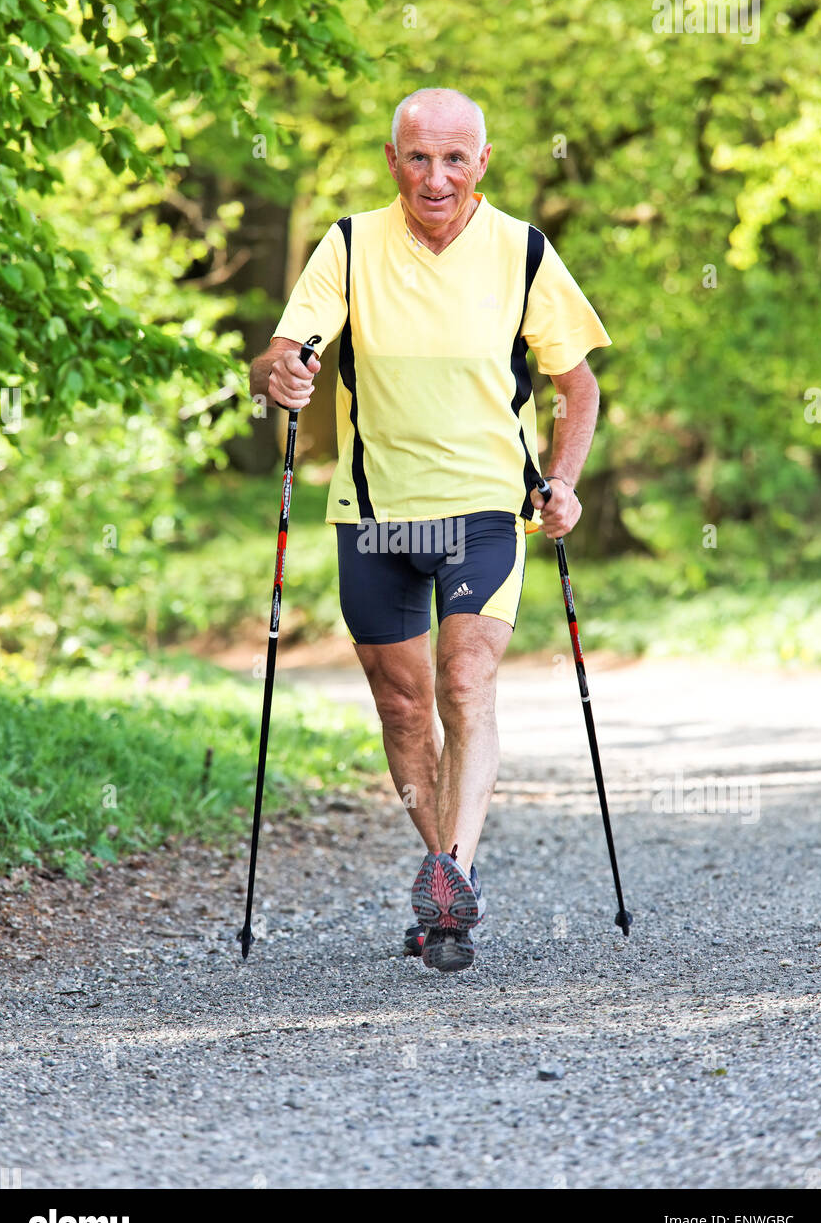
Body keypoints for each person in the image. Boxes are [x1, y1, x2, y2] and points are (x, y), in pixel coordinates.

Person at [249, 87, 610, 973]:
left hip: (487, 509)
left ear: (482, 163)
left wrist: (560, 482)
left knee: (464, 676)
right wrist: (280, 376)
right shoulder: (347, 245)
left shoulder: (523, 250)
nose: (436, 177)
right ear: (392, 160)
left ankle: (452, 877)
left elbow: (578, 386)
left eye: (456, 159)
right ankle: (440, 867)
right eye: (419, 157)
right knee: (404, 707)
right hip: (372, 514)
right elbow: (281, 355)